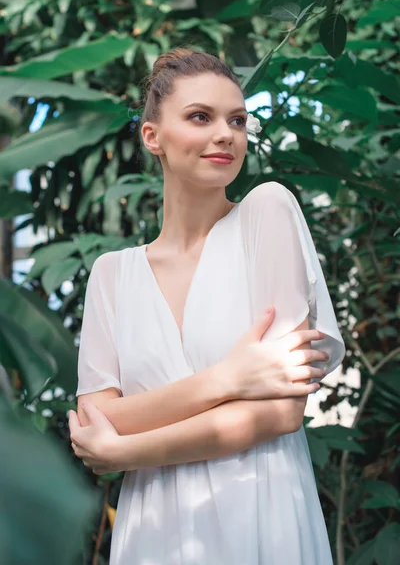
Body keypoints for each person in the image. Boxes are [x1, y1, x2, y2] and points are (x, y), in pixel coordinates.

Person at [69, 48, 346, 564]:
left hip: (261, 508)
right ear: (153, 136)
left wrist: (125, 448)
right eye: (201, 117)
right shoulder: (112, 274)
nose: (226, 134)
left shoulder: (267, 213)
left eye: (237, 120)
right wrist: (228, 380)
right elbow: (94, 421)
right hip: (154, 527)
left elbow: (281, 412)